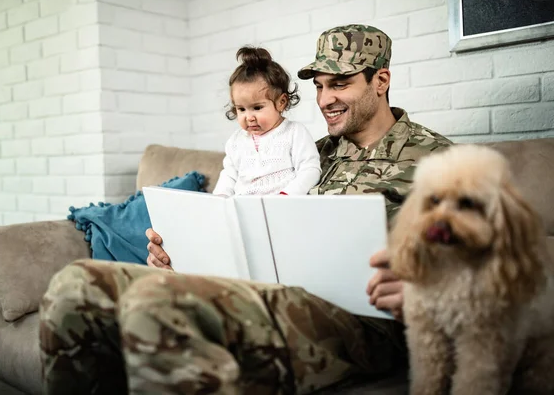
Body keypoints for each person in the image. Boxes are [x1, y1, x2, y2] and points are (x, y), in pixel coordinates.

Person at [40, 24, 453, 394]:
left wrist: (424, 288)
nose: (325, 99)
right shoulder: (312, 153)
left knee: (156, 303)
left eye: (340, 84)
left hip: (358, 323)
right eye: (319, 86)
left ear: (381, 80)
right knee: (77, 284)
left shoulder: (437, 160)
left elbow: (490, 265)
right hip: (267, 291)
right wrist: (181, 254)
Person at [213, 46, 321, 197]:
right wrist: (221, 197)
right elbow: (229, 176)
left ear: (281, 102)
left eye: (257, 108)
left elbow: (310, 169)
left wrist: (287, 195)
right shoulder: (235, 142)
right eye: (241, 109)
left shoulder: (294, 133)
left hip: (280, 206)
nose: (249, 117)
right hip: (243, 208)